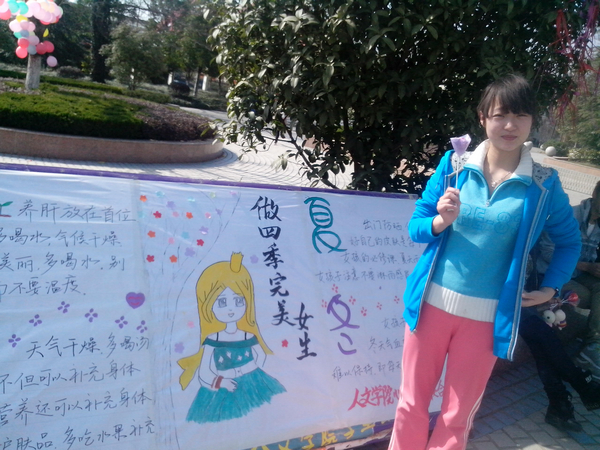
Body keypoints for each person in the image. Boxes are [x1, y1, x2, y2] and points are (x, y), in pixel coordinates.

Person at [388, 74, 581, 450]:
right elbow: (416, 226)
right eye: (500, 114)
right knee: (410, 405)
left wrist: (551, 288)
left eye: (521, 115)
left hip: (487, 319)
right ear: (482, 118)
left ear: (532, 121)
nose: (510, 125)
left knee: (457, 417)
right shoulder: (454, 166)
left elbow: (568, 242)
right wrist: (439, 221)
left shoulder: (542, 184)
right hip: (429, 307)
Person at [177, 252, 286, 424]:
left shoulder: (249, 335)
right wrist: (221, 382)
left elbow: (261, 355)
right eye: (221, 302)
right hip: (225, 388)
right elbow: (204, 372)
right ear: (208, 305)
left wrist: (252, 371)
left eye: (238, 301)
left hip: (254, 382)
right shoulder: (212, 340)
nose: (231, 308)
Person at [536, 180, 600, 378]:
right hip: (553, 274)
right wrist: (586, 266)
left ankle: (593, 345)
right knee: (581, 296)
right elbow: (548, 252)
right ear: (595, 193)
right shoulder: (570, 215)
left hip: (581, 274)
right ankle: (588, 347)